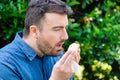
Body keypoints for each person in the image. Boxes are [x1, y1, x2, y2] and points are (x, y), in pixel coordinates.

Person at [0, 0, 80, 80]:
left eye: (65, 28)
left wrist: (71, 70)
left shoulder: (57, 56)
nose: (65, 37)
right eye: (57, 29)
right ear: (34, 31)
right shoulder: (5, 65)